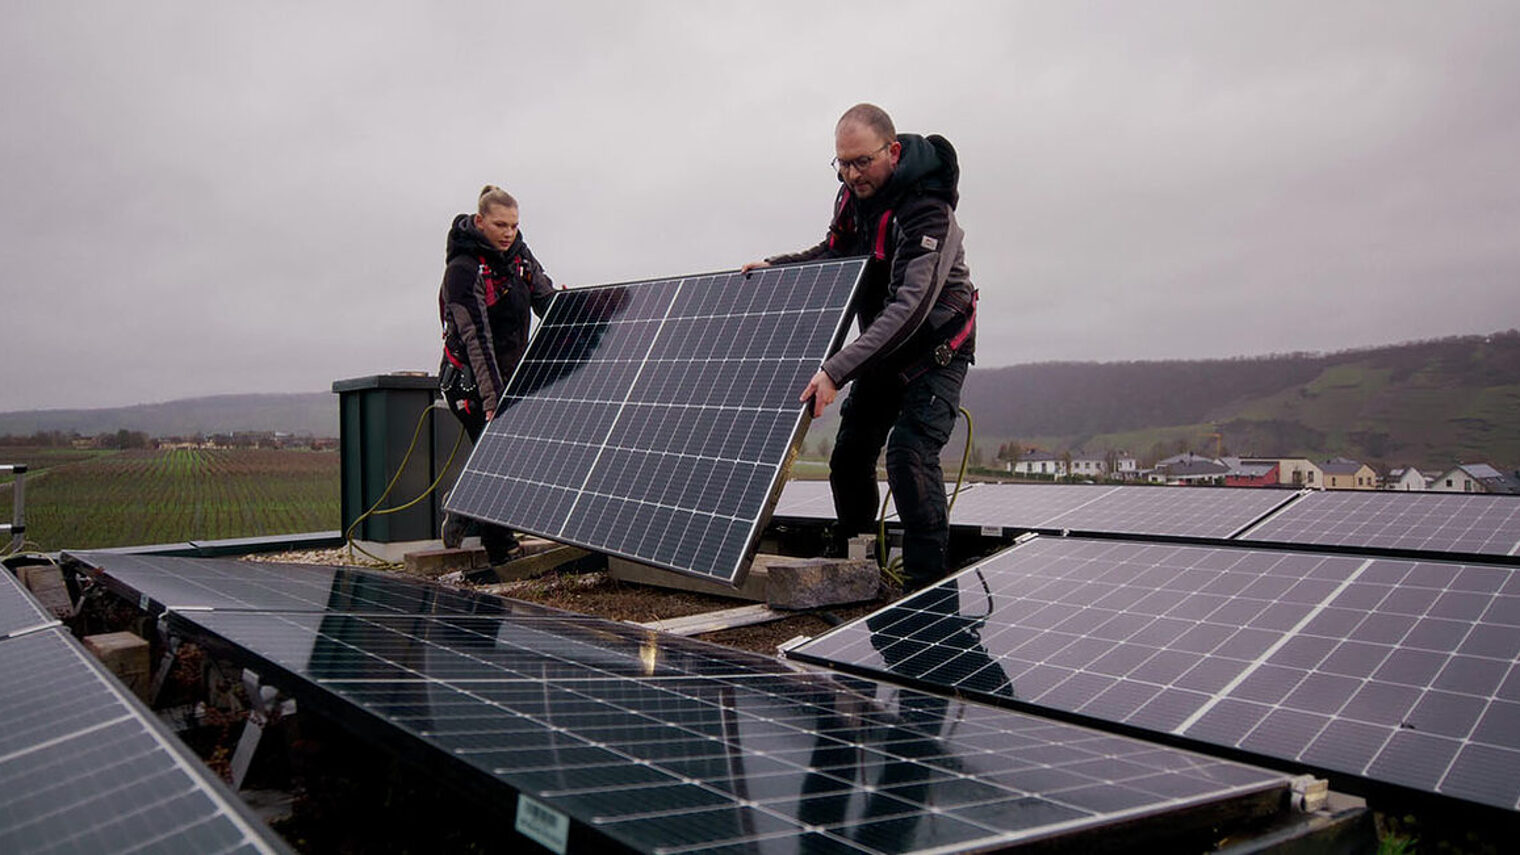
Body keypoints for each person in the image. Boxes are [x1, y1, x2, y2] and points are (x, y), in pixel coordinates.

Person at [744, 104, 977, 592]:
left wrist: (836, 369)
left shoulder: (927, 211)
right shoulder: (854, 200)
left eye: (861, 163)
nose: (851, 175)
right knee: (849, 457)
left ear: (892, 152)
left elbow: (911, 308)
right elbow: (834, 254)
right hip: (883, 349)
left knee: (909, 455)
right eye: (842, 165)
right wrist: (777, 266)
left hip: (935, 348)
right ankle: (857, 562)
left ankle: (926, 587)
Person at [438, 185, 557, 564]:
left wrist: (590, 310)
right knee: (499, 456)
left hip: (510, 375)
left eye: (514, 225)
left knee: (504, 456)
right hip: (471, 382)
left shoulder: (519, 258)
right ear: (480, 221)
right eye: (500, 224)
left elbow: (546, 301)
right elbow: (476, 338)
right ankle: (500, 550)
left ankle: (464, 505)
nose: (508, 233)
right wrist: (494, 402)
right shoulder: (463, 270)